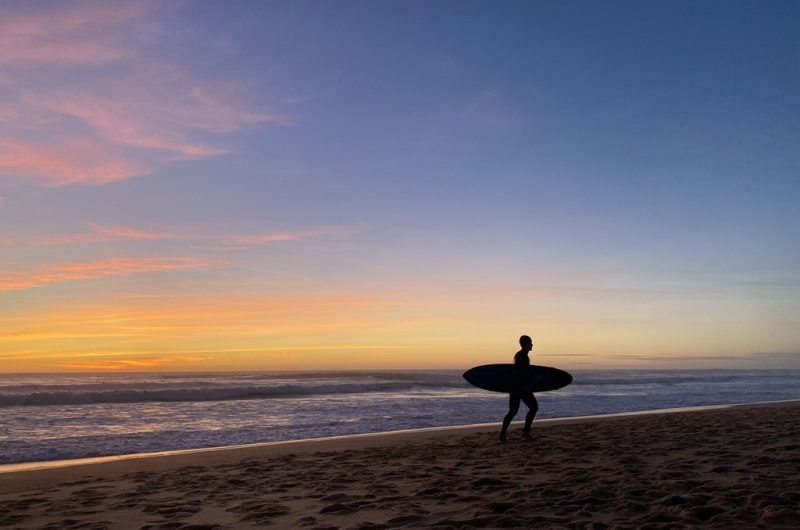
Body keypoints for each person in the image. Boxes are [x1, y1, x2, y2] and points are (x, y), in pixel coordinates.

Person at [499, 335, 539, 442]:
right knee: (534, 407)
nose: (532, 344)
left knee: (513, 411)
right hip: (521, 388)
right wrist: (526, 387)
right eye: (530, 342)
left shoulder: (520, 355)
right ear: (524, 344)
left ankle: (502, 434)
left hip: (515, 387)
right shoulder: (522, 357)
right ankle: (526, 432)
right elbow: (522, 373)